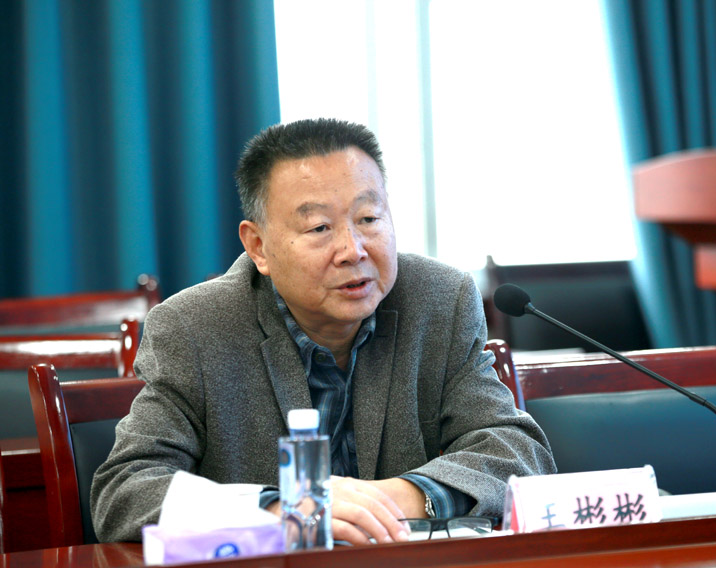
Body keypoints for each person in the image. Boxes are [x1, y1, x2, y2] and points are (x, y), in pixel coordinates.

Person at [91, 118, 556, 545]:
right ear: (259, 246)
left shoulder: (440, 300)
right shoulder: (194, 327)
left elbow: (516, 450)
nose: (353, 250)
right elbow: (125, 490)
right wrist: (280, 510)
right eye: (318, 227)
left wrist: (401, 498)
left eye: (369, 219)